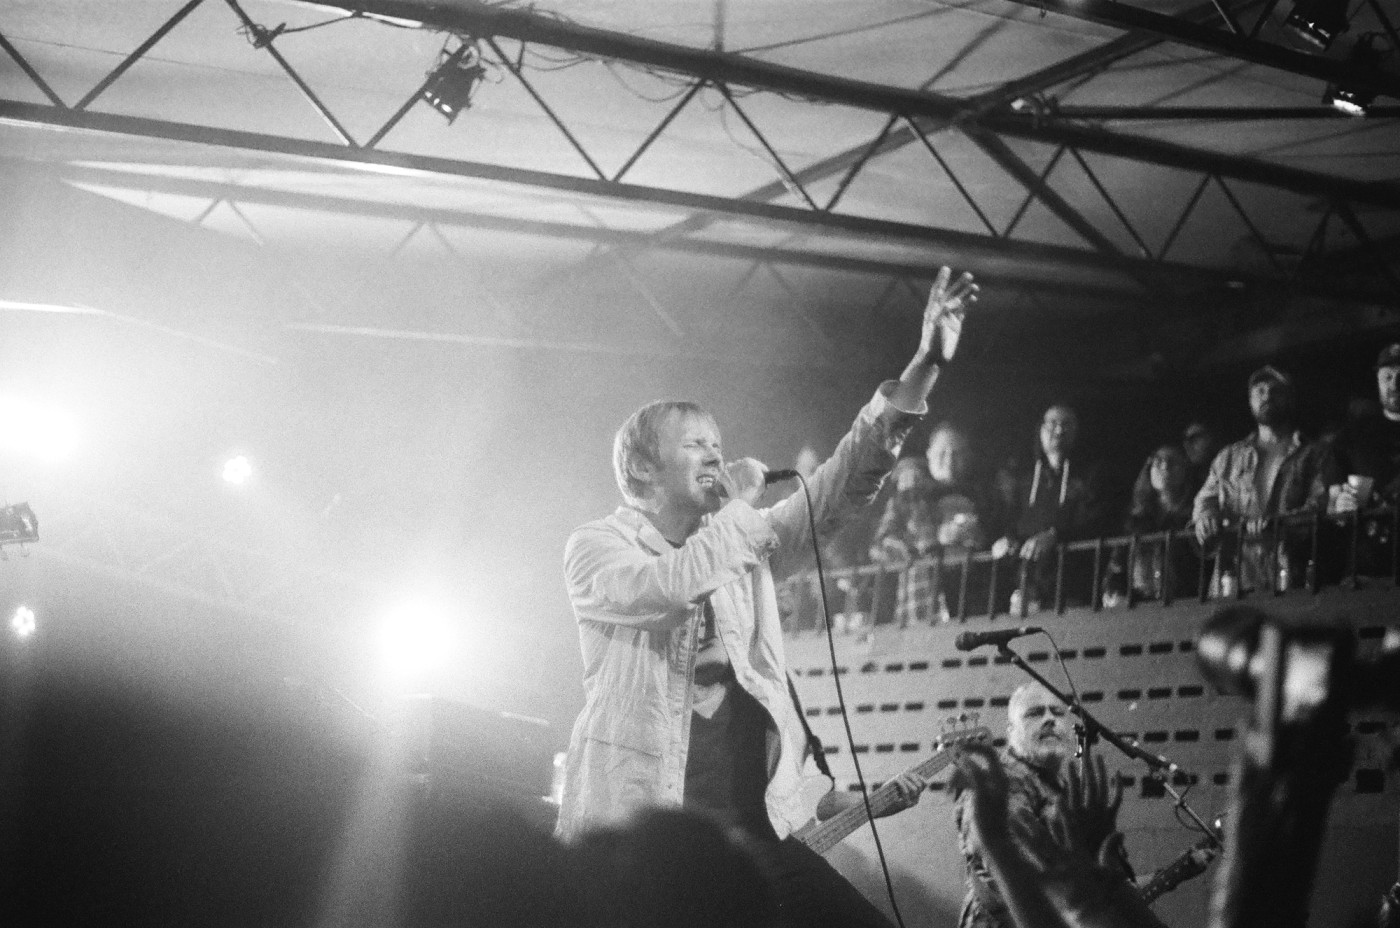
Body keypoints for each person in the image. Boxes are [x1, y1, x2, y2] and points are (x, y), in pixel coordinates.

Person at [554, 266, 979, 928]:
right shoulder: (595, 549)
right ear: (642, 468)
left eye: (717, 444)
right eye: (695, 444)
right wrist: (741, 510)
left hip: (755, 836)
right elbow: (668, 588)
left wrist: (922, 367)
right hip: (650, 840)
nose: (715, 455)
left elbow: (840, 487)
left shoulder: (740, 545)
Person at [951, 742, 1166, 928]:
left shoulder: (1059, 784)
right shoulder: (1010, 776)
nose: (1049, 720)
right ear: (1011, 731)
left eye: (1056, 712)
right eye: (1034, 713)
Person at [1192, 365, 1328, 594]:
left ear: (1289, 399)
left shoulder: (1312, 454)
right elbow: (1207, 499)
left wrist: (1278, 525)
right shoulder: (1229, 457)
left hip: (1291, 576)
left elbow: (1321, 504)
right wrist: (1205, 517)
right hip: (1235, 578)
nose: (1267, 396)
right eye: (1260, 391)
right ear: (1250, 401)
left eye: (1276, 391)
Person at [869, 423, 994, 624]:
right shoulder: (908, 495)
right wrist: (932, 539)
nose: (950, 460)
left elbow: (993, 540)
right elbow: (880, 546)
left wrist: (977, 537)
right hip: (922, 601)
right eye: (942, 453)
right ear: (928, 455)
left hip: (970, 604)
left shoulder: (982, 497)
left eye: (957, 453)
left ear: (968, 458)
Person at [992, 405, 1102, 611]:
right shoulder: (1025, 481)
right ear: (1040, 429)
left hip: (1072, 588)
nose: (1059, 430)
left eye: (1066, 424)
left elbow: (1095, 522)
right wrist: (1008, 539)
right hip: (1028, 589)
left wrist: (1055, 536)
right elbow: (1013, 521)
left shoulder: (1091, 477)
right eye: (1053, 424)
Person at [1319, 343, 1400, 577]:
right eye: (1388, 376)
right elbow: (1334, 504)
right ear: (1377, 380)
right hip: (1369, 571)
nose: (1395, 384)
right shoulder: (1351, 437)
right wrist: (1340, 505)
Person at [1106, 444, 1198, 603]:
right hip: (1140, 605)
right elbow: (1117, 563)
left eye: (1172, 461)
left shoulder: (1194, 517)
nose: (1165, 466)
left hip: (1185, 604)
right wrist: (1115, 591)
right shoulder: (1135, 519)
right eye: (1158, 461)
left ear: (1185, 469)